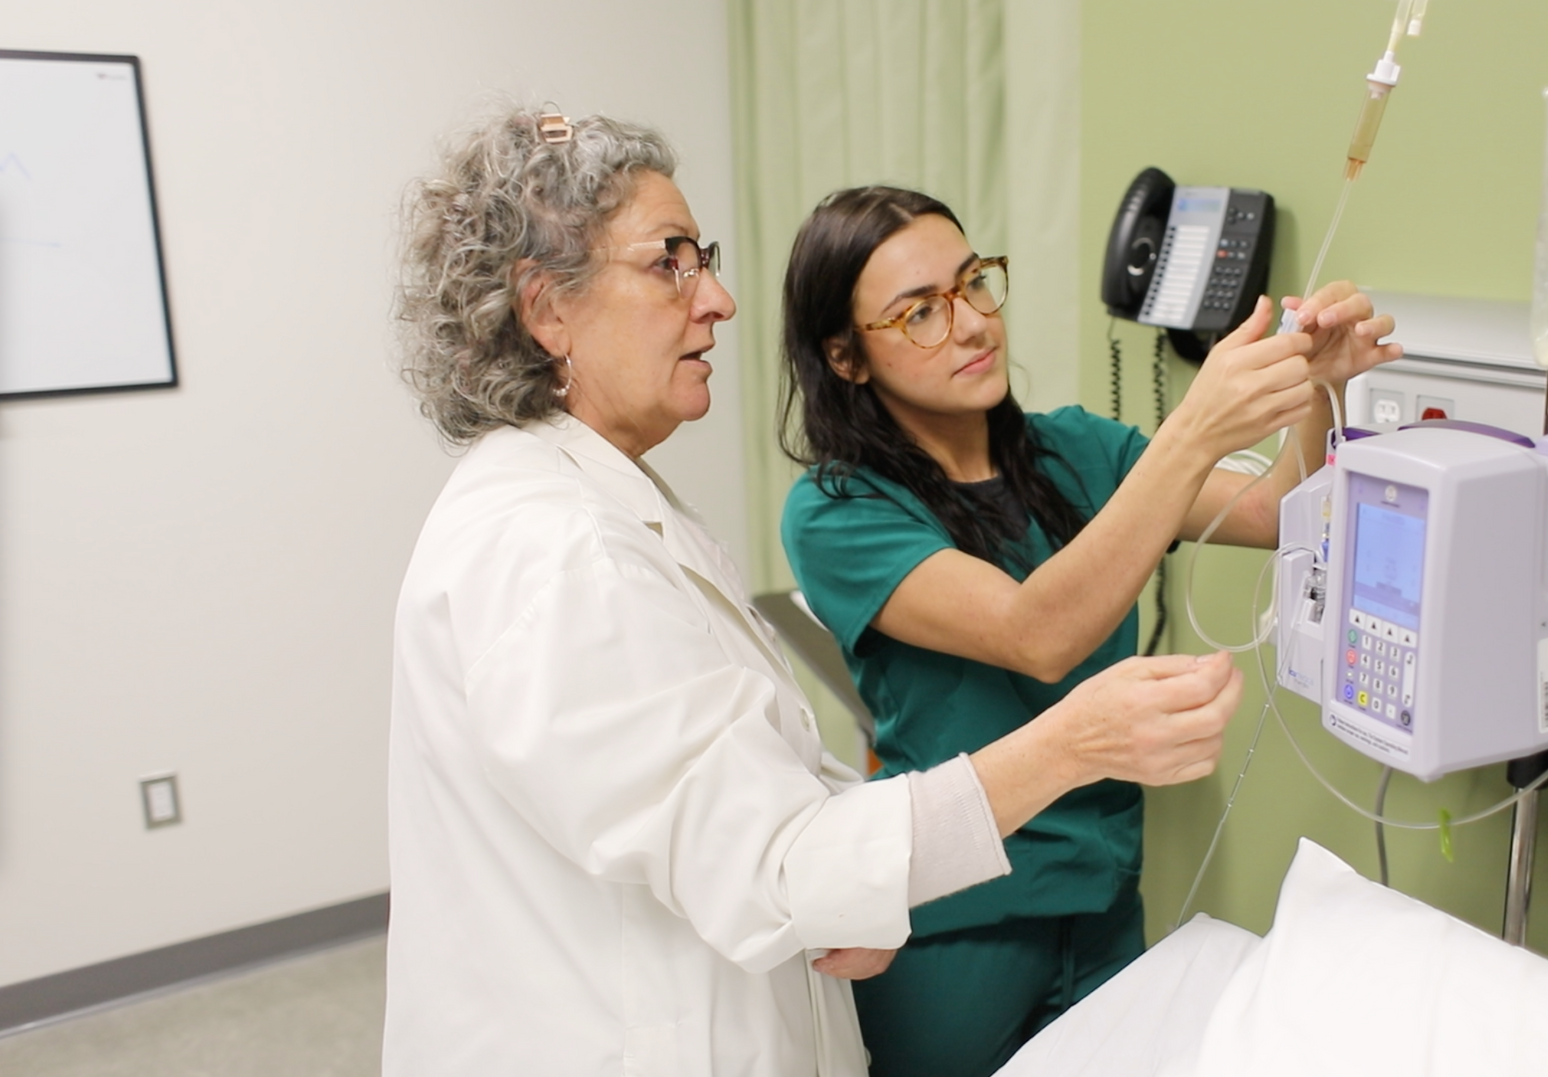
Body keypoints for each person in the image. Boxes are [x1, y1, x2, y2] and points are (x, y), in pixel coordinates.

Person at [383, 109, 1245, 1077]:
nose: (719, 298)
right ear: (547, 310)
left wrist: (858, 893)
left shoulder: (605, 512)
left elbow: (745, 791)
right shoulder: (554, 551)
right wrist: (1073, 743)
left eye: (700, 256)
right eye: (670, 262)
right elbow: (774, 863)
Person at [778, 186, 1401, 1077]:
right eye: (919, 312)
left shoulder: (1077, 451)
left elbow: (1274, 509)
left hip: (1104, 902)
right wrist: (1193, 429)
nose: (968, 325)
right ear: (846, 358)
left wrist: (1323, 386)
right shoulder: (837, 511)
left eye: (972, 284)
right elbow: (1038, 631)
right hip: (953, 926)